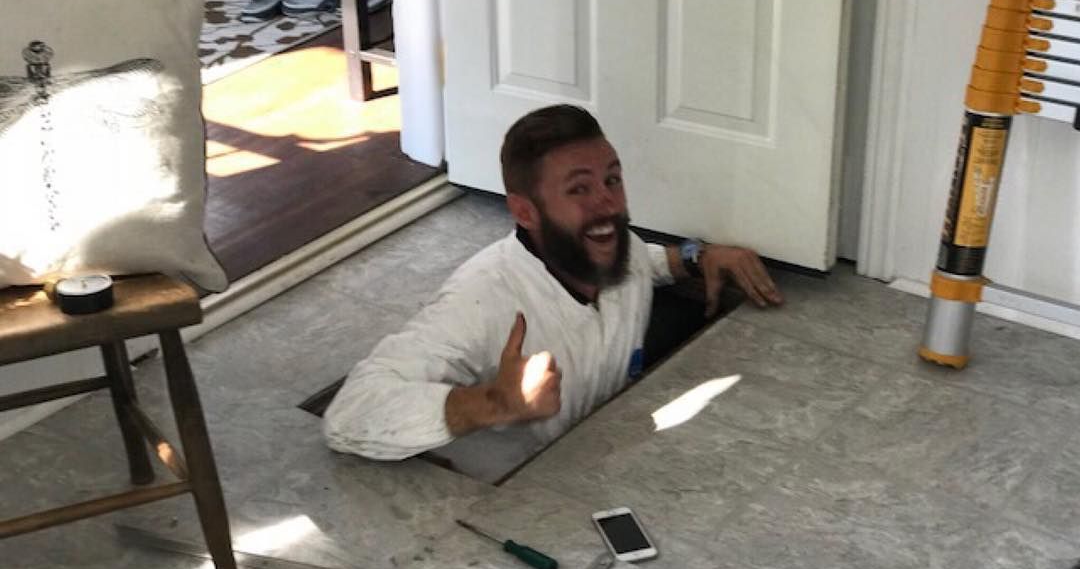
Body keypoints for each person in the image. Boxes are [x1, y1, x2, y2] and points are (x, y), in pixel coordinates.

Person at [323, 104, 783, 464]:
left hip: (589, 464)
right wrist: (492, 404)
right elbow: (349, 413)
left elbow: (648, 262)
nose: (607, 204)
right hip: (506, 497)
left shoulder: (618, 252)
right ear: (525, 212)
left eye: (612, 179)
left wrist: (699, 257)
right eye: (578, 189)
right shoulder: (480, 300)